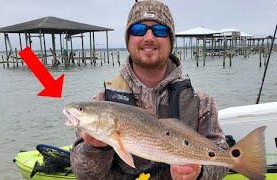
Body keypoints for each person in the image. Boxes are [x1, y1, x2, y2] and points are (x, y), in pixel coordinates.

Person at [70, 0, 229, 179]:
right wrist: (95, 148)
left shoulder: (201, 102)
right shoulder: (101, 101)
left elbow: (223, 159)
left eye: (159, 30)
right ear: (128, 40)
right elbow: (83, 174)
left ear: (171, 41)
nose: (149, 38)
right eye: (138, 30)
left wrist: (199, 173)